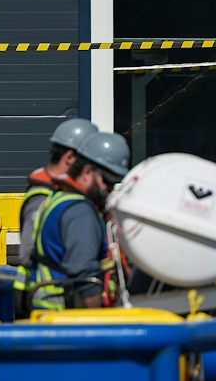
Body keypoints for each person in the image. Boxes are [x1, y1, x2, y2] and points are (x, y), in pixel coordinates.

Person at [15, 129, 131, 315]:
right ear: (87, 172)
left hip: (50, 315)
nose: (109, 190)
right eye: (107, 182)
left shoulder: (60, 199)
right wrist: (97, 320)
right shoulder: (80, 212)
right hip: (67, 317)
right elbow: (85, 276)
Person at [21, 117, 96, 254]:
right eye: (89, 163)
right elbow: (28, 252)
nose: (91, 171)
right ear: (70, 158)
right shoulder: (40, 198)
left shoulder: (65, 191)